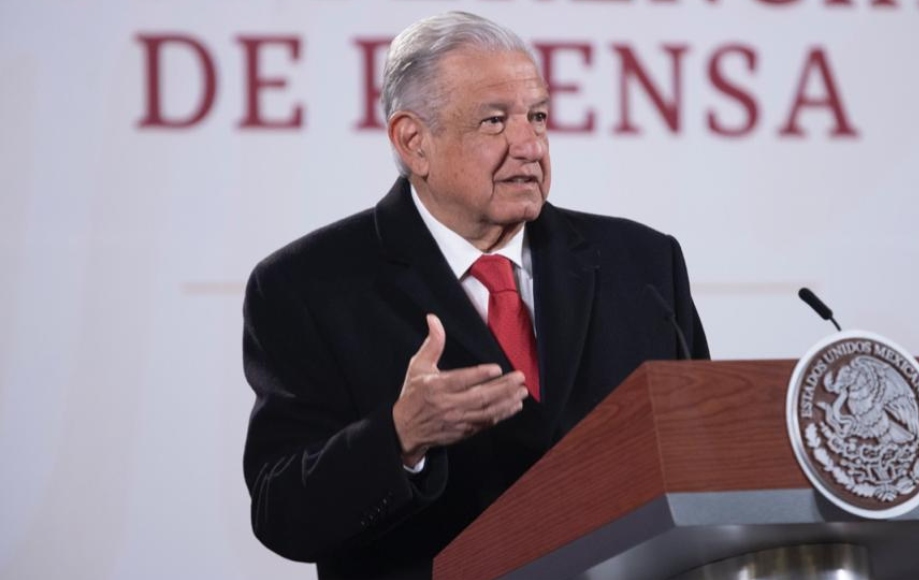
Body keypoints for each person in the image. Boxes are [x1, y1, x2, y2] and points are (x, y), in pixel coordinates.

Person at [242, 11, 708, 579]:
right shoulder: (308, 285)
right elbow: (281, 511)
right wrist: (399, 437)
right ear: (414, 143)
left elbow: (701, 458)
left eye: (537, 117)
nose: (529, 146)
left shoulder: (643, 263)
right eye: (494, 122)